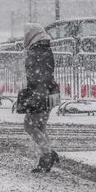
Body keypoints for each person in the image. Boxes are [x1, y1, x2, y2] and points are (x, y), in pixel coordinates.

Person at [22, 23, 60, 173]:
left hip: (40, 93)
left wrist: (34, 94)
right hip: (48, 92)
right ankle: (47, 156)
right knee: (40, 126)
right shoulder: (45, 49)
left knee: (29, 125)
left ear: (30, 36)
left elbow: (37, 76)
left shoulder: (36, 52)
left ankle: (47, 154)